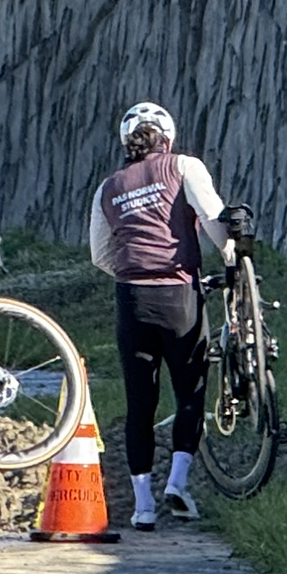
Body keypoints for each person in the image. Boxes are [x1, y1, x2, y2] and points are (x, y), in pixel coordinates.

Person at [90, 102, 232, 530]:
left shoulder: (108, 187)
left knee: (140, 403)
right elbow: (213, 219)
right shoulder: (184, 166)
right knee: (190, 392)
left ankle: (142, 507)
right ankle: (178, 482)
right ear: (167, 138)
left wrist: (134, 271)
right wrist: (230, 256)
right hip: (178, 297)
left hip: (130, 300)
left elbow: (100, 255)